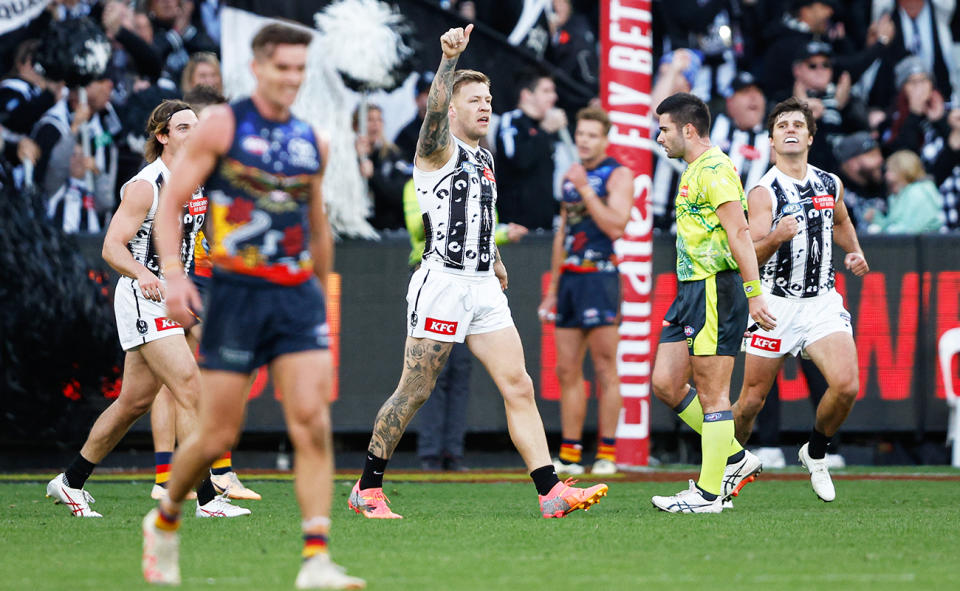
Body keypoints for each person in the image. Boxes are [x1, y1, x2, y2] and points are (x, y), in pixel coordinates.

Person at [349, 24, 607, 521]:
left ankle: (550, 491)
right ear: (453, 105)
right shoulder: (436, 148)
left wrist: (496, 259)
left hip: (482, 285)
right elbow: (432, 114)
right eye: (474, 100)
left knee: (520, 384)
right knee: (415, 389)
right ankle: (367, 486)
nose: (485, 106)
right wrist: (448, 60)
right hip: (442, 282)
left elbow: (479, 215)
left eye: (488, 99)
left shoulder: (485, 156)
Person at [142, 24, 364, 589]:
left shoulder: (313, 139)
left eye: (299, 69)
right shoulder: (222, 125)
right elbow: (170, 204)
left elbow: (319, 226)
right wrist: (172, 274)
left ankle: (316, 559)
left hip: (295, 295)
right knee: (217, 435)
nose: (291, 78)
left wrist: (321, 291)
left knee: (313, 423)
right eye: (282, 67)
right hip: (236, 294)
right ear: (258, 66)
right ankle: (165, 518)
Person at [45, 99, 245, 521]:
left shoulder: (197, 179)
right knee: (190, 385)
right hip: (142, 298)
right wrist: (146, 275)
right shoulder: (146, 185)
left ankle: (70, 481)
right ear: (163, 136)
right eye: (184, 126)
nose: (195, 131)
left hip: (168, 297)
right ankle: (207, 500)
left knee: (132, 403)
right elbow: (111, 247)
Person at [732, 97, 869, 503]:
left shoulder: (830, 183)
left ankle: (816, 451)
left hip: (822, 301)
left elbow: (840, 219)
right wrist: (775, 236)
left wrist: (855, 250)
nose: (790, 130)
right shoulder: (763, 191)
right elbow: (748, 254)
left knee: (846, 386)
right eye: (782, 125)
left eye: (797, 124)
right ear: (772, 139)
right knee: (750, 402)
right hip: (776, 302)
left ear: (810, 136)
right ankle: (725, 468)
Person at [649, 92, 771, 514]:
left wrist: (754, 294)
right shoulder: (694, 169)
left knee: (714, 394)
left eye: (663, 128)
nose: (658, 137)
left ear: (687, 129)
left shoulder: (715, 169)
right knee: (665, 383)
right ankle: (736, 457)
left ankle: (708, 494)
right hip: (690, 290)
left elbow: (740, 234)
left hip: (714, 288)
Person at [148, 85, 260, 503]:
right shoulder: (167, 174)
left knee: (153, 389)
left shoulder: (212, 165)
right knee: (209, 373)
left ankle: (170, 477)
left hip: (211, 279)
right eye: (193, 123)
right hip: (185, 283)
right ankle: (216, 473)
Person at [402, 177, 528, 471]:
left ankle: (452, 453)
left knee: (460, 372)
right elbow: (417, 228)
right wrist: (448, 204)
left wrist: (504, 233)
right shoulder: (417, 182)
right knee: (431, 372)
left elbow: (485, 231)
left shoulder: (480, 178)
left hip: (472, 278)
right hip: (433, 279)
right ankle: (430, 454)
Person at [537, 106, 632, 476]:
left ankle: (607, 453)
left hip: (601, 276)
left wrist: (583, 189)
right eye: (580, 134)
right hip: (572, 280)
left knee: (606, 367)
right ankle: (571, 453)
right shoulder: (572, 175)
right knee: (566, 370)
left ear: (605, 139)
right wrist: (552, 289)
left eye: (592, 135)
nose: (584, 141)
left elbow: (616, 227)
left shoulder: (618, 174)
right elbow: (563, 232)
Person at [494, 69, 566, 230]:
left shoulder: (544, 128)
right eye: (546, 91)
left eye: (553, 91)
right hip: (514, 225)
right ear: (526, 95)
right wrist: (544, 131)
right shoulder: (511, 120)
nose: (553, 97)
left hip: (544, 225)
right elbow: (519, 160)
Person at [866, 149, 944, 233]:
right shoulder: (898, 195)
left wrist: (881, 232)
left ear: (905, 170)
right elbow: (895, 224)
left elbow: (911, 229)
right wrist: (877, 219)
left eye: (890, 170)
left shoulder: (918, 192)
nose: (886, 176)